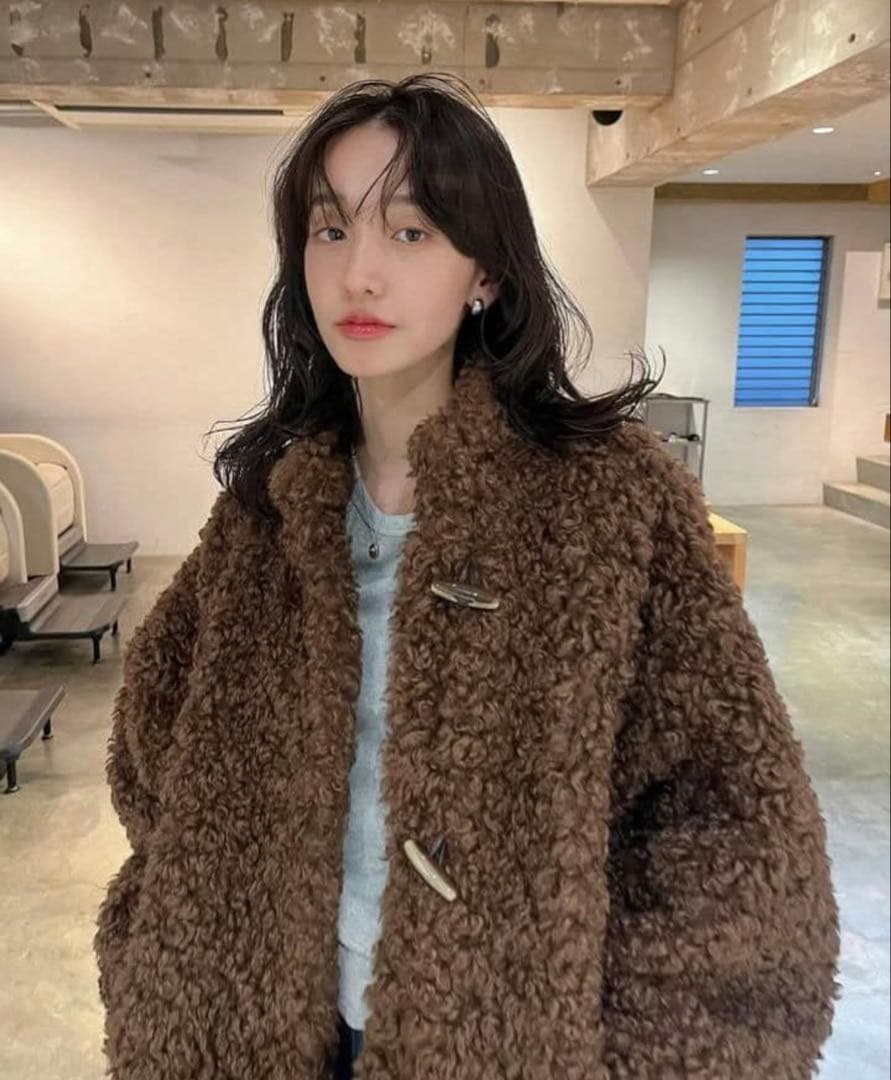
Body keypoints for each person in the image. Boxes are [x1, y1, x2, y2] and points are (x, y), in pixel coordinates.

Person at [94, 74, 841, 1080]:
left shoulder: (607, 503)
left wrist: (640, 1049)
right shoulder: (267, 511)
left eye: (410, 233)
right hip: (258, 1031)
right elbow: (152, 759)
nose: (359, 275)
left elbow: (736, 822)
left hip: (508, 1042)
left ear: (483, 271)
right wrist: (160, 949)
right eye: (328, 230)